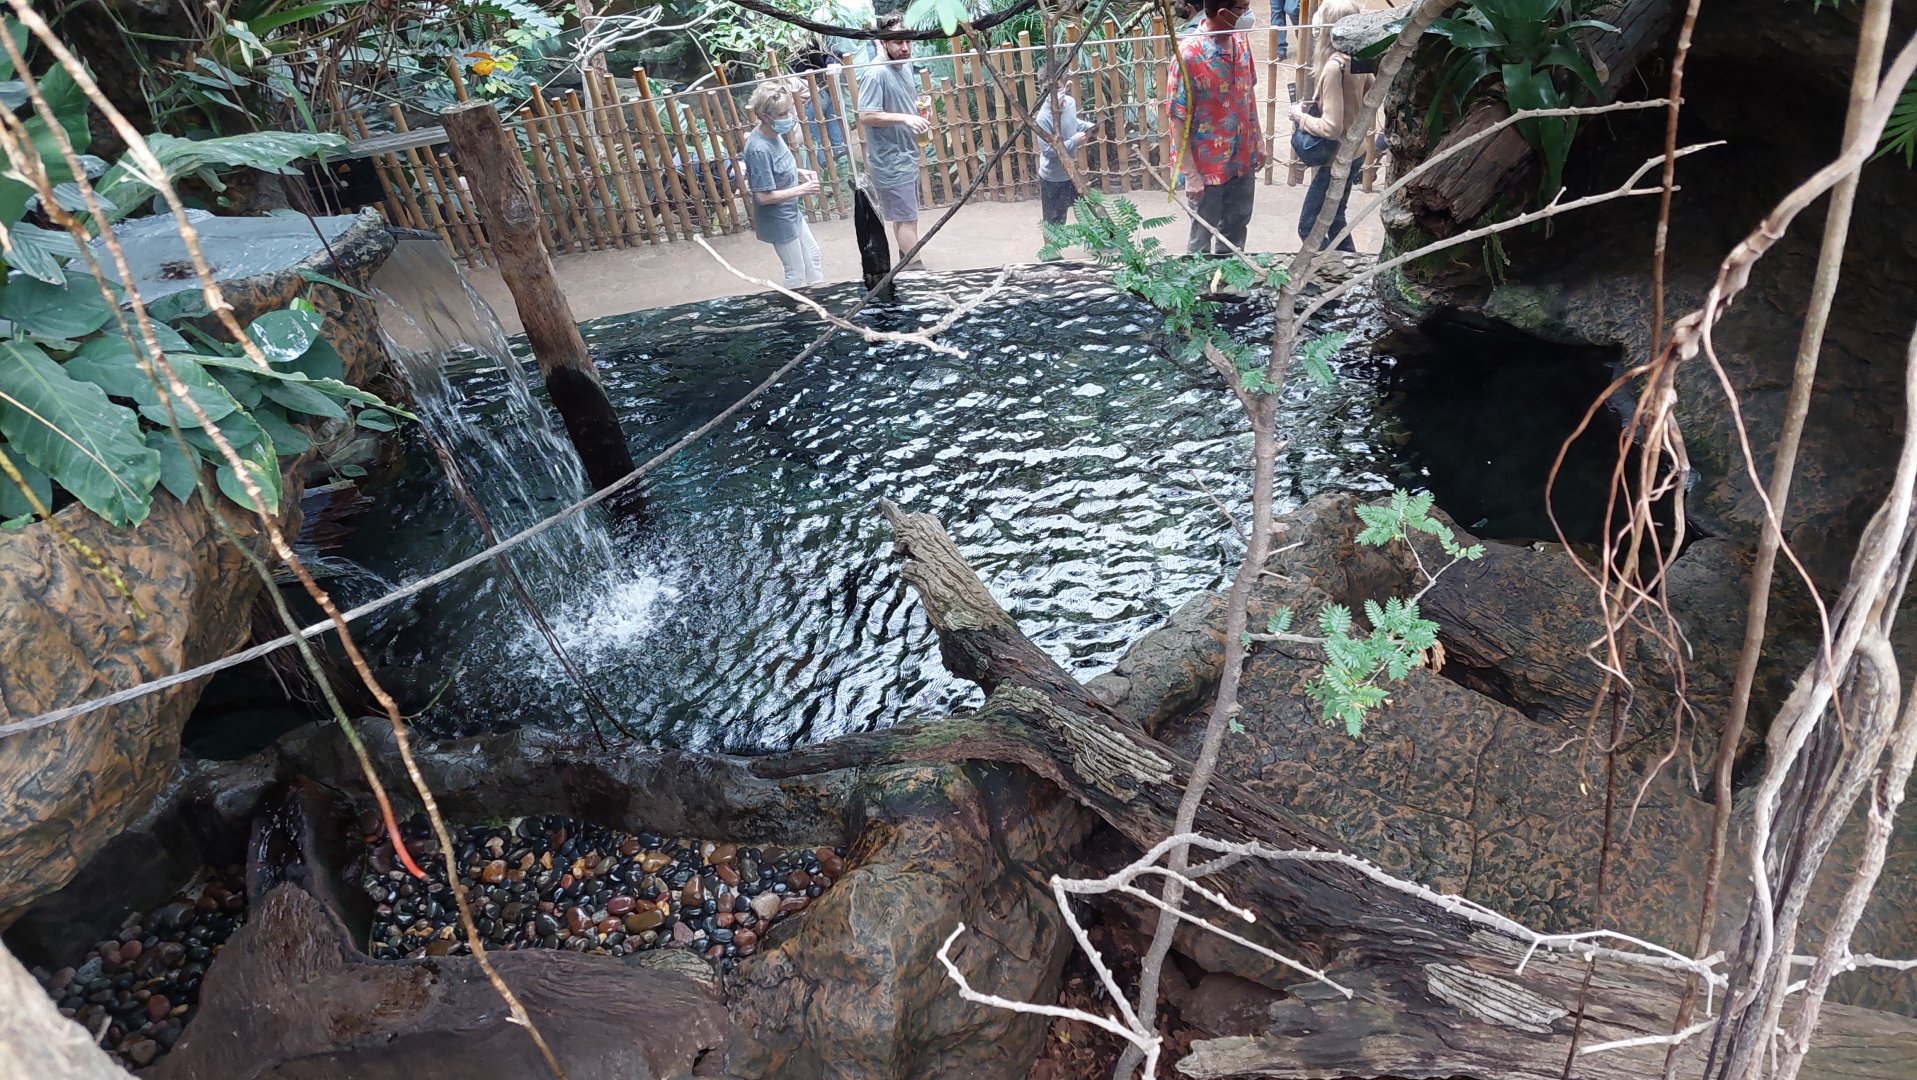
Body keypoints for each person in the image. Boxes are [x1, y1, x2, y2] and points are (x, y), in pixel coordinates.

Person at [1164, 0, 1264, 256]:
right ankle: (1197, 291)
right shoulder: (1187, 55)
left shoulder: (1241, 41)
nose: (1248, 13)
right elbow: (1176, 117)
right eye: (1243, 7)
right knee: (1202, 234)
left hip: (1241, 157)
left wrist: (1258, 141)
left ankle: (1229, 284)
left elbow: (1247, 94)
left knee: (1237, 224)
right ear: (1223, 13)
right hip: (1205, 169)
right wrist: (1191, 175)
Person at [1288, 0, 1372, 253]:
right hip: (1355, 152)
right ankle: (1350, 273)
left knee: (1308, 227)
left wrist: (1299, 117)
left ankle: (1329, 276)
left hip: (1336, 159)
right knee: (1336, 221)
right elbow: (1369, 96)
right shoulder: (1358, 58)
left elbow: (1331, 128)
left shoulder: (1335, 67)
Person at [857, 12, 930, 268]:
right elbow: (866, 115)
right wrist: (904, 119)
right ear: (884, 43)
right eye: (898, 42)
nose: (905, 47)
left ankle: (906, 266)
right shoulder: (876, 73)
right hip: (889, 160)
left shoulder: (905, 64)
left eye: (907, 41)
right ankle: (917, 270)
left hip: (906, 153)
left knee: (907, 217)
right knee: (906, 219)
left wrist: (917, 112)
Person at [743, 82, 826, 288]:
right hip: (778, 219)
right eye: (782, 114)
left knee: (812, 256)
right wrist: (802, 189)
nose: (787, 117)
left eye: (787, 111)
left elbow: (776, 168)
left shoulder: (773, 134)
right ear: (765, 116)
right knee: (795, 271)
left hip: (791, 212)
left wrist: (798, 172)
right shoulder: (758, 149)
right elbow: (763, 197)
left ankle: (819, 303)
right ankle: (796, 315)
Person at [1033, 59, 1093, 230]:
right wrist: (1074, 141)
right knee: (1054, 223)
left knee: (1086, 213)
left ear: (1066, 85)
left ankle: (1100, 246)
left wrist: (1087, 127)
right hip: (1052, 178)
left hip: (1071, 173)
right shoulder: (1043, 117)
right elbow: (1048, 151)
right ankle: (1051, 254)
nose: (1052, 94)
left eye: (1056, 89)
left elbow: (1071, 123)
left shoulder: (1071, 103)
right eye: (1047, 90)